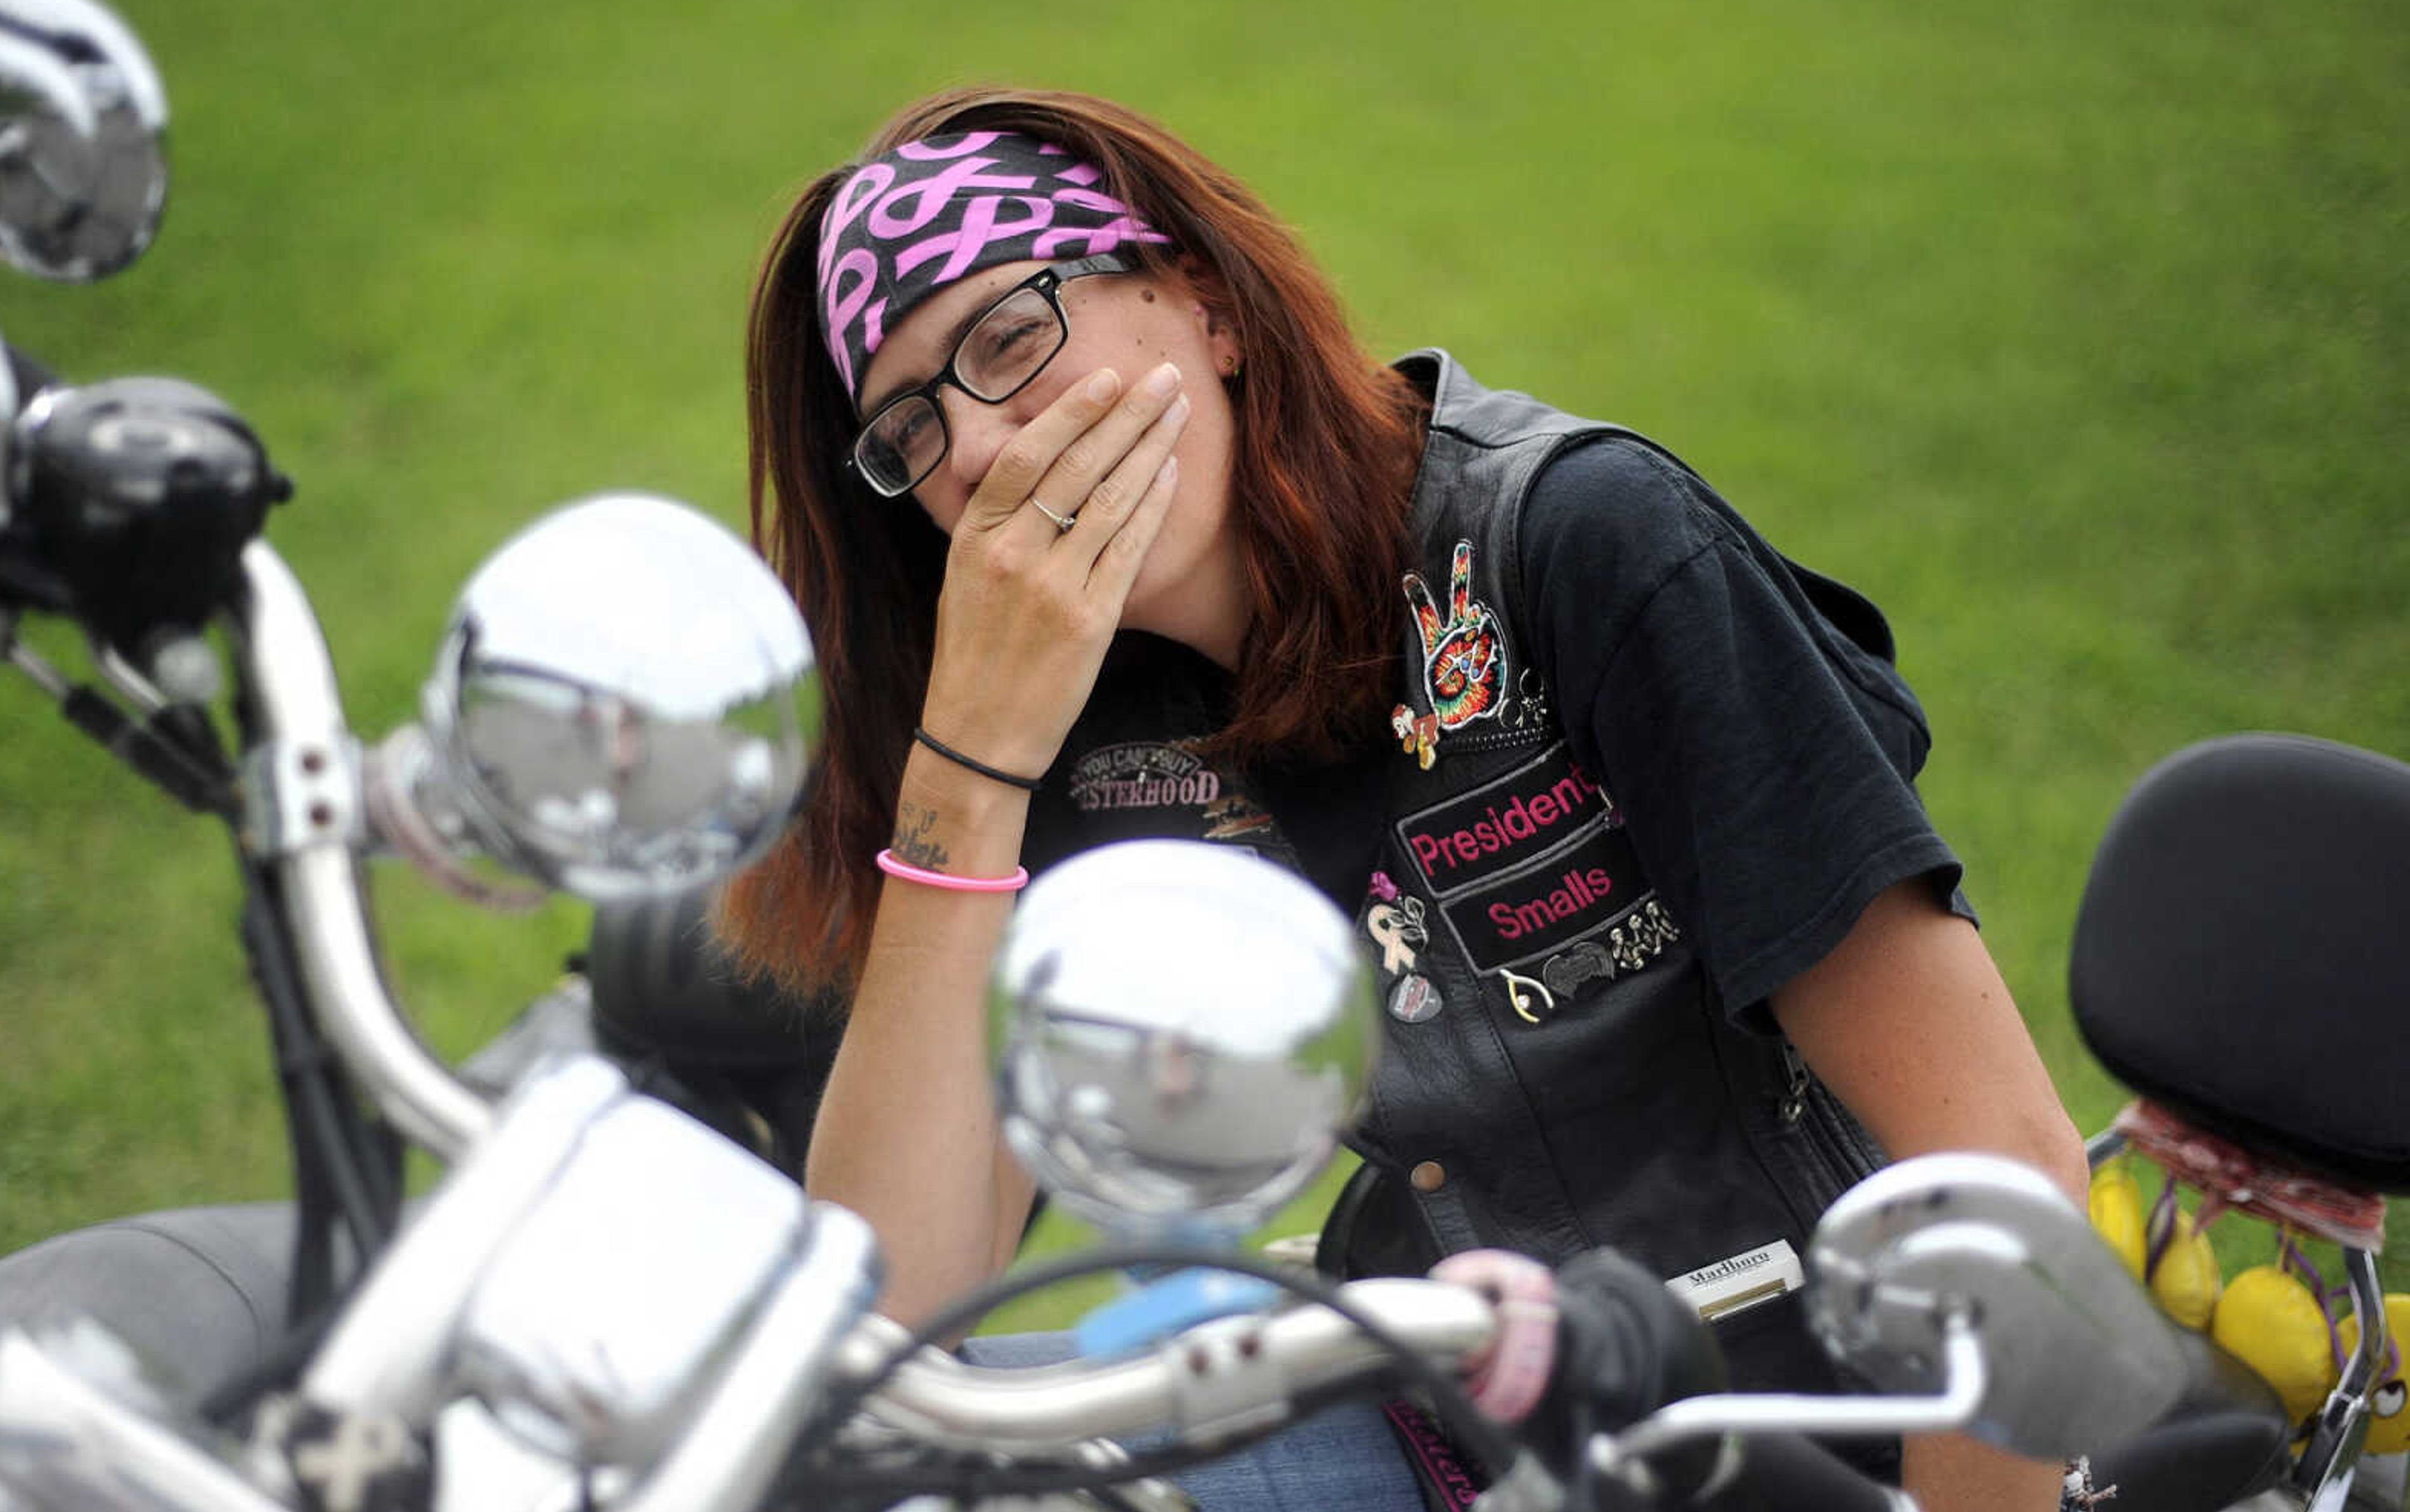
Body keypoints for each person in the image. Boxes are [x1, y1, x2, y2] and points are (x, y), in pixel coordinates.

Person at [714, 87, 2089, 1512]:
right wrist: (967, 764)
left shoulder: (1582, 542)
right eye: (913, 434)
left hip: (1815, 1451)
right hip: (1442, 1428)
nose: (986, 453)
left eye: (1010, 339)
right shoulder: (1078, 718)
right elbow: (883, 1331)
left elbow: (2005, 1176)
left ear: (1203, 300)